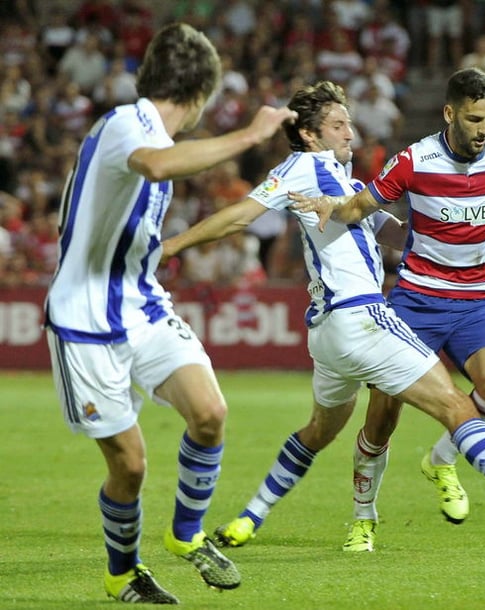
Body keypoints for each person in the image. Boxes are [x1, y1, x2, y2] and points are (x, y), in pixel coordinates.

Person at [162, 79, 485, 555]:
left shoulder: (345, 182)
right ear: (308, 134)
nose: (351, 133)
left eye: (350, 123)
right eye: (338, 125)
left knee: (318, 432)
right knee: (453, 405)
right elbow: (240, 216)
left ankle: (249, 518)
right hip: (360, 318)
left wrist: (433, 229)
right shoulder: (304, 167)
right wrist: (172, 245)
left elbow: (388, 228)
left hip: (327, 333)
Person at [42, 23, 297, 604]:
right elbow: (157, 166)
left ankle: (186, 535)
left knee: (209, 412)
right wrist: (249, 135)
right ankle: (122, 572)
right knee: (130, 467)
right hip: (85, 321)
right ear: (203, 92)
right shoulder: (130, 124)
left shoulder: (143, 128)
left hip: (142, 303)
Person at [289, 68, 485, 533]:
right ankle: (363, 517)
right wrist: (333, 208)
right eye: (473, 119)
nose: (483, 130)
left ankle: (443, 459)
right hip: (417, 300)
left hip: (479, 299)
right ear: (449, 113)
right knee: (382, 418)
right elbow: (364, 206)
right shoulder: (413, 161)